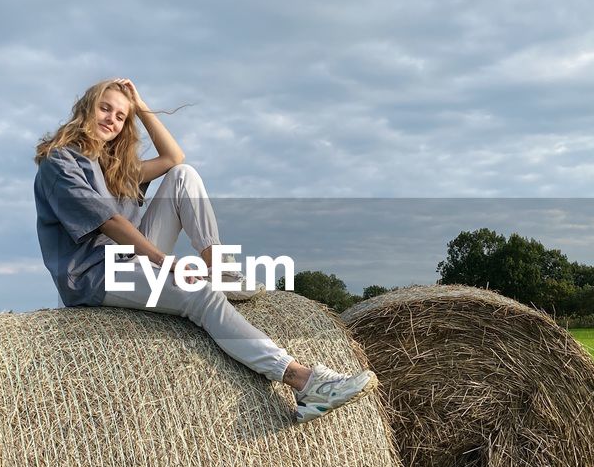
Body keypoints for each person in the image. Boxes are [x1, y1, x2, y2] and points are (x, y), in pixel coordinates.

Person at [33, 77, 378, 422]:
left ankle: (220, 270)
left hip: (127, 258)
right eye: (104, 108)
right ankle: (302, 381)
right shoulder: (60, 162)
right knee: (197, 295)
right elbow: (111, 223)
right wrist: (167, 263)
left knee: (183, 174)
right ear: (85, 109)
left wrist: (141, 107)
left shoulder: (113, 166)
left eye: (121, 116)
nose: (111, 118)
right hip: (96, 276)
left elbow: (173, 156)